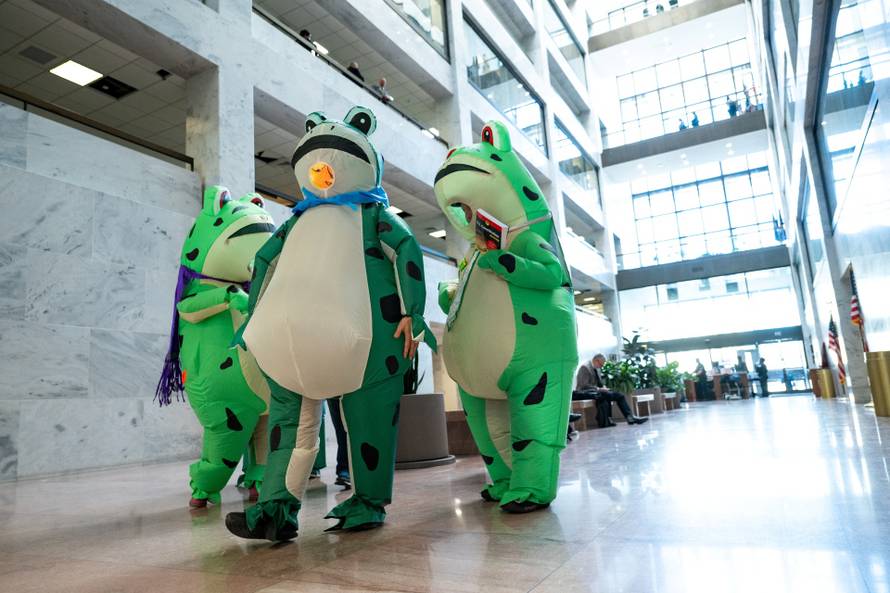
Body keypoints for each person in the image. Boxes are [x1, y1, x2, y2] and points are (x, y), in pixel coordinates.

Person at [575, 354, 648, 425]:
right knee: (606, 395)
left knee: (619, 395)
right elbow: (583, 385)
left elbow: (599, 382)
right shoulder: (585, 367)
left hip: (595, 392)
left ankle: (630, 417)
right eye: (601, 365)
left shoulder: (596, 368)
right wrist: (598, 389)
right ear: (596, 361)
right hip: (584, 393)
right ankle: (609, 419)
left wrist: (603, 387)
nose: (601, 367)